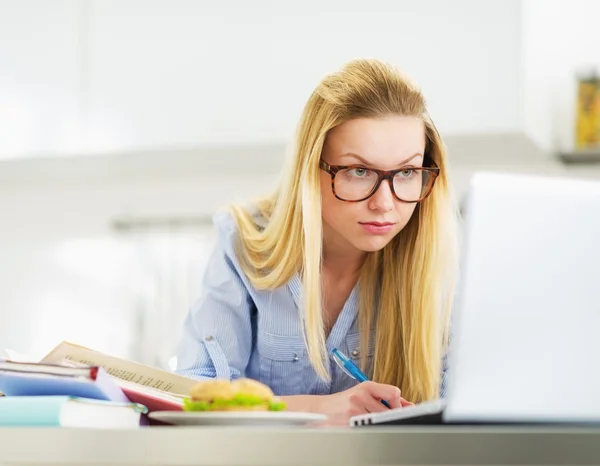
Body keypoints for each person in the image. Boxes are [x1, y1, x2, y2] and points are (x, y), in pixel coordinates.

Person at [175, 58, 459, 424]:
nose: (385, 204)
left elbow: (467, 412)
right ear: (311, 169)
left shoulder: (439, 259)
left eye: (406, 172)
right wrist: (322, 409)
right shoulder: (243, 242)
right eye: (359, 171)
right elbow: (194, 397)